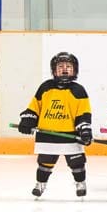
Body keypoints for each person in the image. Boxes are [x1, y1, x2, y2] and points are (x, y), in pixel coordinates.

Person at [17, 52, 93, 199]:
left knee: (77, 162)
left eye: (68, 66)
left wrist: (84, 130)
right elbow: (34, 107)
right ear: (54, 70)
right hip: (47, 135)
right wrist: (28, 121)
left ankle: (81, 183)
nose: (64, 69)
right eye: (60, 66)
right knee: (45, 162)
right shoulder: (45, 87)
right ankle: (40, 184)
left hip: (70, 135)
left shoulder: (78, 90)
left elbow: (83, 113)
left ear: (75, 69)